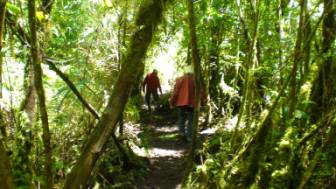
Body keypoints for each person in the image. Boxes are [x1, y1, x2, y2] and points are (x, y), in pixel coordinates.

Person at [170, 65, 206, 141]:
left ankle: (181, 134)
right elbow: (201, 92)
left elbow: (175, 92)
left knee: (181, 118)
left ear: (186, 71)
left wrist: (172, 102)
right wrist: (202, 102)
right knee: (191, 120)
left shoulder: (179, 79)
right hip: (192, 103)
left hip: (181, 103)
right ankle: (189, 137)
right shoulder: (196, 80)